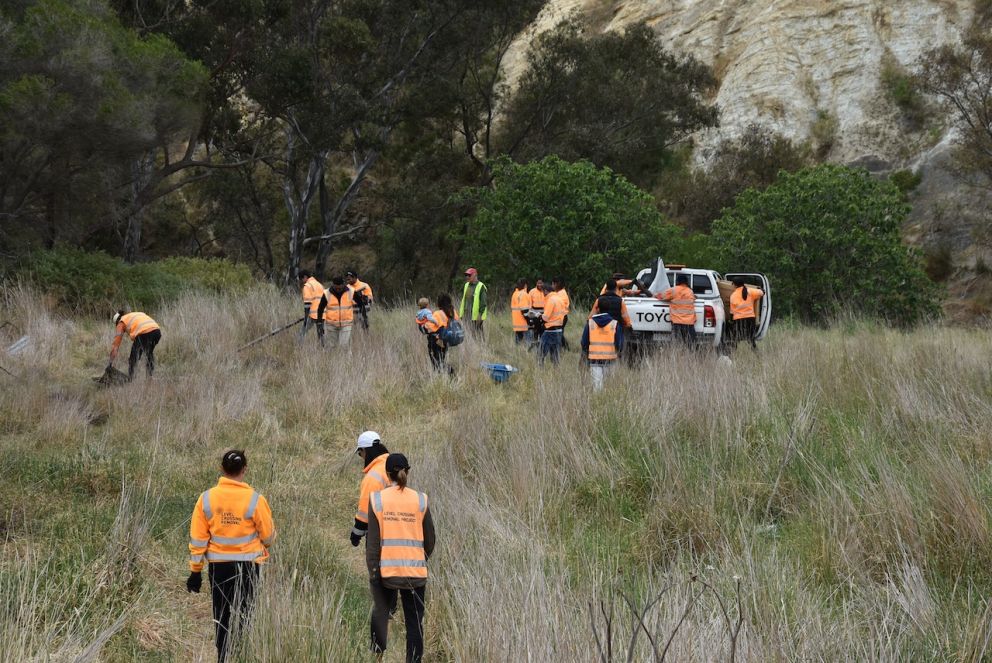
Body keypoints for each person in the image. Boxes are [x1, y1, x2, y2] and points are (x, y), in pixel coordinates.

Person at [187, 450, 276, 663]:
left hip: (219, 568)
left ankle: (223, 658)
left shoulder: (206, 498)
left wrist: (195, 572)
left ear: (222, 469)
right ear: (244, 470)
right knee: (246, 614)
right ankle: (243, 655)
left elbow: (198, 540)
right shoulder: (256, 500)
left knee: (222, 616)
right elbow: (269, 537)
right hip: (248, 568)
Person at [367, 453, 435, 663]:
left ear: (387, 475)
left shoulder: (378, 499)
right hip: (416, 573)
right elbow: (430, 541)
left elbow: (373, 545)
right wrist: (418, 559)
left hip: (387, 573)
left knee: (380, 614)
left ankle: (377, 658)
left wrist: (374, 574)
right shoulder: (420, 499)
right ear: (408, 471)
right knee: (415, 624)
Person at [350, 431, 390, 547]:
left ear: (364, 450)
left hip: (379, 532)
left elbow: (365, 510)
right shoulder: (391, 464)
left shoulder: (373, 476)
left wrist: (356, 534)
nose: (361, 457)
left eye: (359, 453)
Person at [110, 310, 161, 379]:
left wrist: (111, 361)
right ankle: (150, 377)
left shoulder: (121, 322)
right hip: (157, 332)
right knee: (149, 353)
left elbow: (116, 343)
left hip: (144, 333)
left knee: (133, 357)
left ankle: (131, 379)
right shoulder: (134, 315)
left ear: (117, 321)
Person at [581, 311, 623, 392]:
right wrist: (619, 353)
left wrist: (586, 352)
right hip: (610, 359)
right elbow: (619, 343)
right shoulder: (614, 324)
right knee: (609, 384)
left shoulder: (590, 323)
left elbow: (584, 342)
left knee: (597, 385)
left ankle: (597, 400)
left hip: (594, 359)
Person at [656, 274, 697, 347]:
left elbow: (661, 296)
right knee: (691, 346)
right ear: (686, 282)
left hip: (677, 322)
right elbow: (694, 298)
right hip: (689, 323)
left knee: (676, 345)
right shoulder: (690, 291)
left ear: (677, 281)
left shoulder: (673, 290)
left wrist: (655, 295)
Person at [316, 277, 355, 348]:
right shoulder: (326, 293)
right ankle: (332, 358)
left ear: (343, 285)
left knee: (344, 346)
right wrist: (319, 322)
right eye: (336, 288)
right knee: (331, 347)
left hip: (346, 324)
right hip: (331, 325)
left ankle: (346, 359)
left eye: (339, 288)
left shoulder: (351, 291)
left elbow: (361, 304)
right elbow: (320, 308)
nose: (338, 290)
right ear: (333, 285)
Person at [424, 293, 457, 373]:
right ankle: (443, 378)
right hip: (445, 342)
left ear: (439, 303)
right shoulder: (453, 312)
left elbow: (428, 327)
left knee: (436, 362)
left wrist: (424, 325)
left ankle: (450, 371)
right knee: (441, 359)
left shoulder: (437, 313)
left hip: (435, 341)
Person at [729, 278, 764, 350]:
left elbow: (732, 312)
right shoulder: (750, 291)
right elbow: (762, 293)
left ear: (735, 285)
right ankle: (756, 354)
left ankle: (733, 353)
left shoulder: (733, 296)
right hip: (750, 319)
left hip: (738, 320)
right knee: (751, 339)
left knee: (735, 339)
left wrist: (731, 321)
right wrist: (760, 289)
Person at [540, 278, 567, 365]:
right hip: (559, 330)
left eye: (542, 292)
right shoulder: (559, 299)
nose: (542, 294)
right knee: (555, 356)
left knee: (540, 354)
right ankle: (556, 373)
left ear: (546, 291)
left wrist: (538, 316)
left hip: (550, 331)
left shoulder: (550, 300)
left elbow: (545, 318)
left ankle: (539, 370)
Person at [298, 270, 324, 342]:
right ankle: (322, 349)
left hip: (313, 314)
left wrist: (306, 318)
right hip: (322, 314)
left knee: (302, 333)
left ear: (305, 277)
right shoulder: (320, 285)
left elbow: (307, 304)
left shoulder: (307, 286)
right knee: (321, 334)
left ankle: (298, 347)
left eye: (301, 279)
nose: (302, 281)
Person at [458, 268, 487, 335]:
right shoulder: (466, 285)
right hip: (466, 316)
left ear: (475, 275)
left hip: (476, 317)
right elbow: (464, 301)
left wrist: (479, 315)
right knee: (468, 335)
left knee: (478, 335)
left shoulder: (481, 286)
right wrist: (461, 315)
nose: (467, 277)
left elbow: (483, 303)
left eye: (469, 275)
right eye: (466, 275)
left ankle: (482, 345)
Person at [510, 278, 530, 344]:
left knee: (518, 344)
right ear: (525, 285)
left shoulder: (514, 294)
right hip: (524, 323)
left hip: (516, 323)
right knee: (528, 344)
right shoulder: (524, 294)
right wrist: (529, 321)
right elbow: (525, 310)